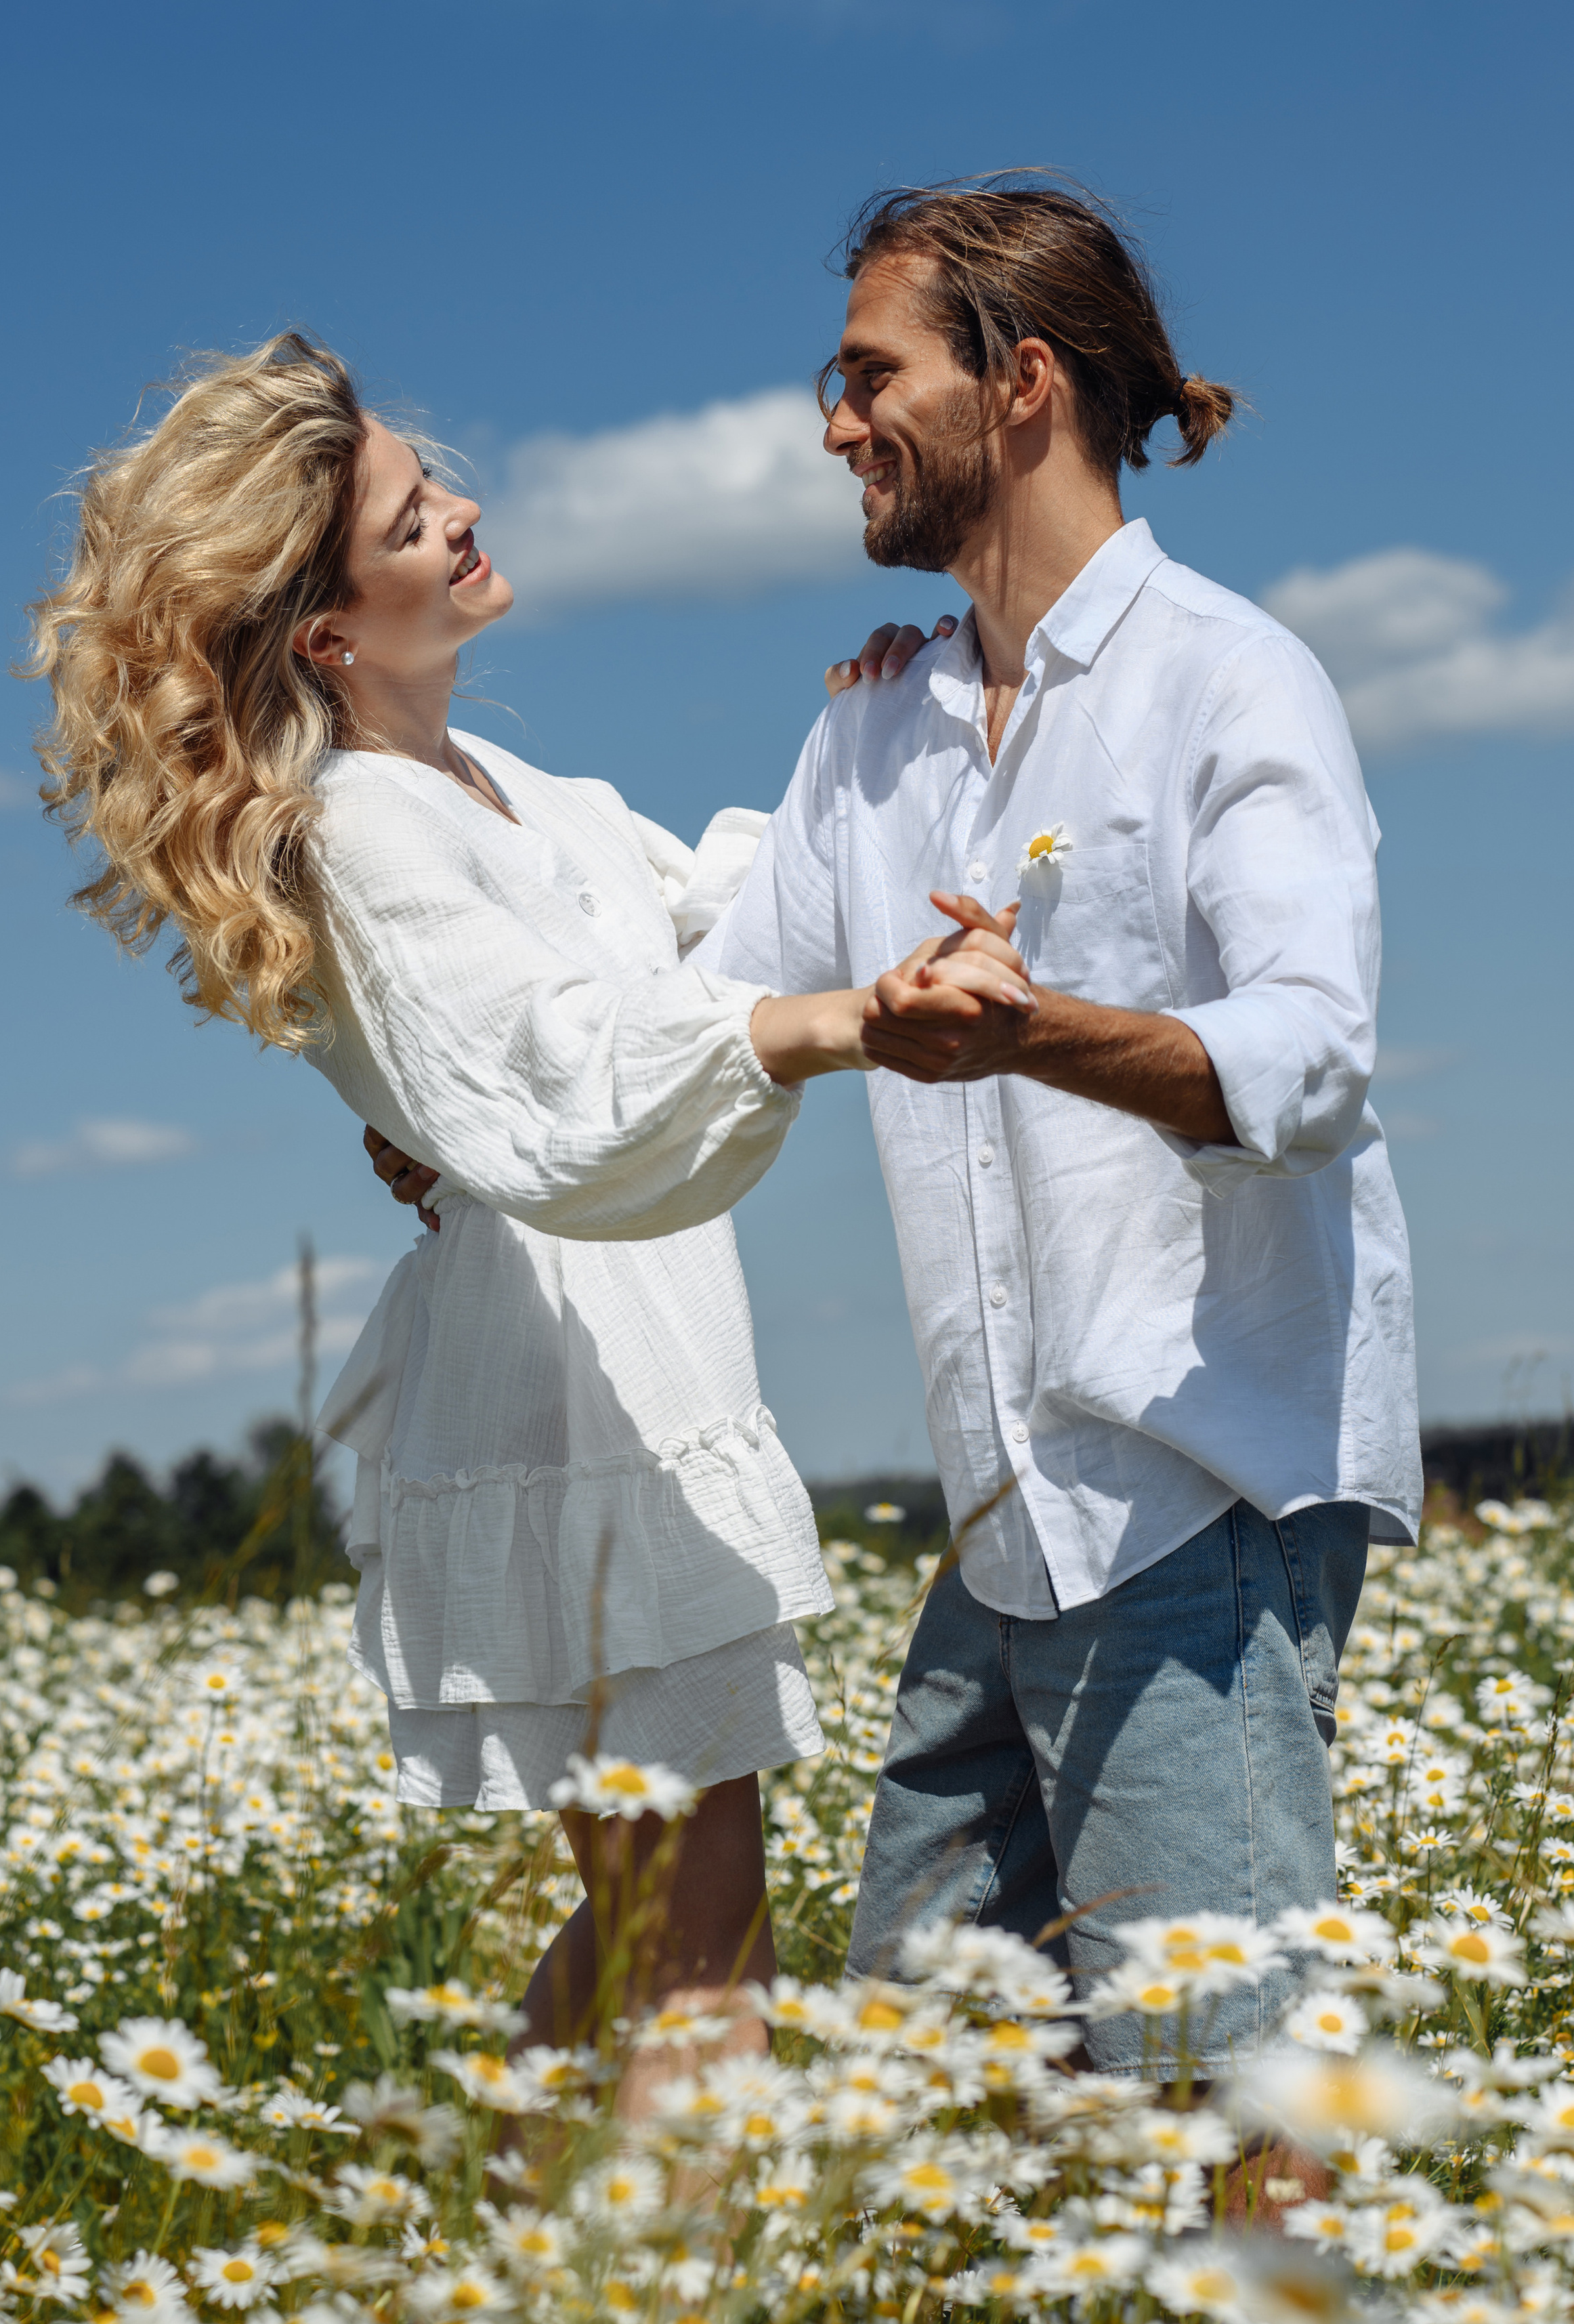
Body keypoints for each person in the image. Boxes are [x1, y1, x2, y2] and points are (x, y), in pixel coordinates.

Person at [380, 181, 1420, 2136]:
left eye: (872, 376)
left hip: (1202, 1498)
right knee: (928, 2103)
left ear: (1023, 383)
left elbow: (1315, 1059)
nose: (833, 420)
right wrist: (456, 1099)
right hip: (1007, 1525)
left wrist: (1044, 1036)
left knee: (1234, 2083)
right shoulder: (876, 736)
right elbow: (708, 1014)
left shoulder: (1228, 679)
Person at [26, 332, 990, 2115]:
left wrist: (864, 734)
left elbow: (736, 914)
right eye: (413, 514)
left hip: (625, 1358)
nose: (462, 511)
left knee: (665, 1929)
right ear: (327, 632)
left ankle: (474, 2270)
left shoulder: (513, 792)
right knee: (700, 1960)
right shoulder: (366, 826)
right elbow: (556, 1076)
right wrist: (833, 1024)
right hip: (566, 1392)